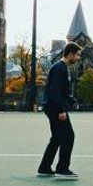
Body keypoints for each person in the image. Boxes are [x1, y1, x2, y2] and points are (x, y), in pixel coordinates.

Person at [37, 42, 82, 178]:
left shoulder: (62, 68)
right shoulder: (59, 68)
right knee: (68, 136)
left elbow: (63, 92)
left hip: (53, 107)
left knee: (57, 138)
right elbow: (54, 91)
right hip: (55, 108)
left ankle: (44, 168)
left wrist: (72, 101)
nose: (79, 58)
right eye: (78, 55)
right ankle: (62, 169)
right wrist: (61, 110)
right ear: (70, 54)